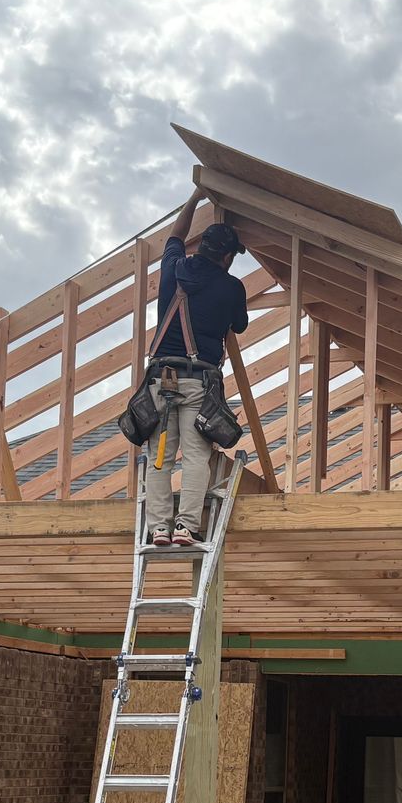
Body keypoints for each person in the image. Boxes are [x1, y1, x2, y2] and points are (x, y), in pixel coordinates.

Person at [142, 187, 249, 546]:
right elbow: (240, 326)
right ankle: (186, 526)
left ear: (201, 246)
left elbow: (175, 235)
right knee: (196, 457)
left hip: (161, 380)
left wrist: (195, 197)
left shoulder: (173, 270)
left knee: (160, 456)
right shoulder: (232, 288)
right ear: (228, 257)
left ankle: (158, 527)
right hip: (198, 383)